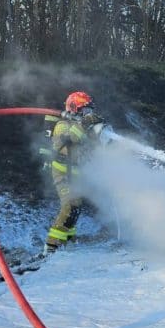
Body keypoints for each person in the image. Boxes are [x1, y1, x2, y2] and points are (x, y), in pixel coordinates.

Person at [43, 91, 108, 255]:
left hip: (75, 175)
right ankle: (51, 247)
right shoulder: (62, 125)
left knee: (76, 207)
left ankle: (68, 242)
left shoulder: (81, 126)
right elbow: (70, 138)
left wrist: (98, 133)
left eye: (90, 112)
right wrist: (85, 124)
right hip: (62, 173)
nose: (88, 115)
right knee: (69, 205)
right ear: (74, 109)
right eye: (85, 111)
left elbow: (92, 146)